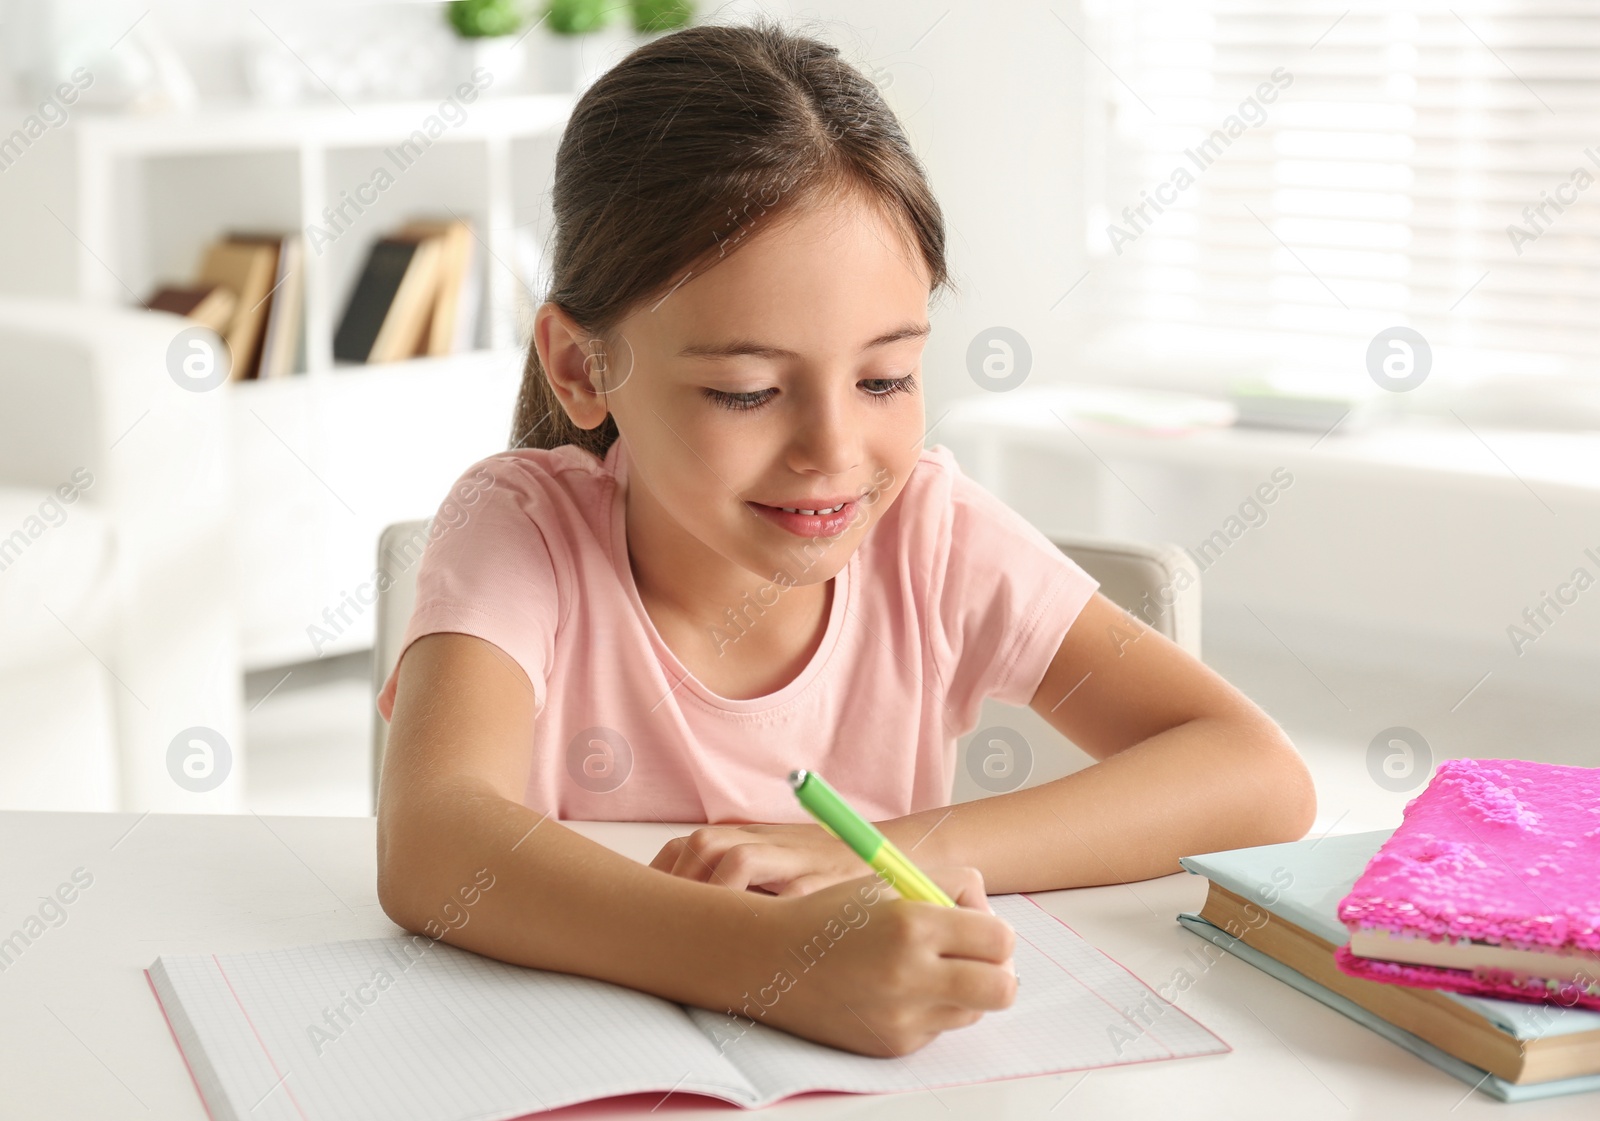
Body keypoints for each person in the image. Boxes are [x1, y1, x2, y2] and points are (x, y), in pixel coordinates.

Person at [375, 18, 1316, 1059]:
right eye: (747, 391)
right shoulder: (519, 529)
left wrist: (869, 855)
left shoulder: (933, 536)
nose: (833, 449)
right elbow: (434, 840)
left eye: (884, 379)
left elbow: (1257, 775)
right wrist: (768, 961)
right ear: (582, 368)